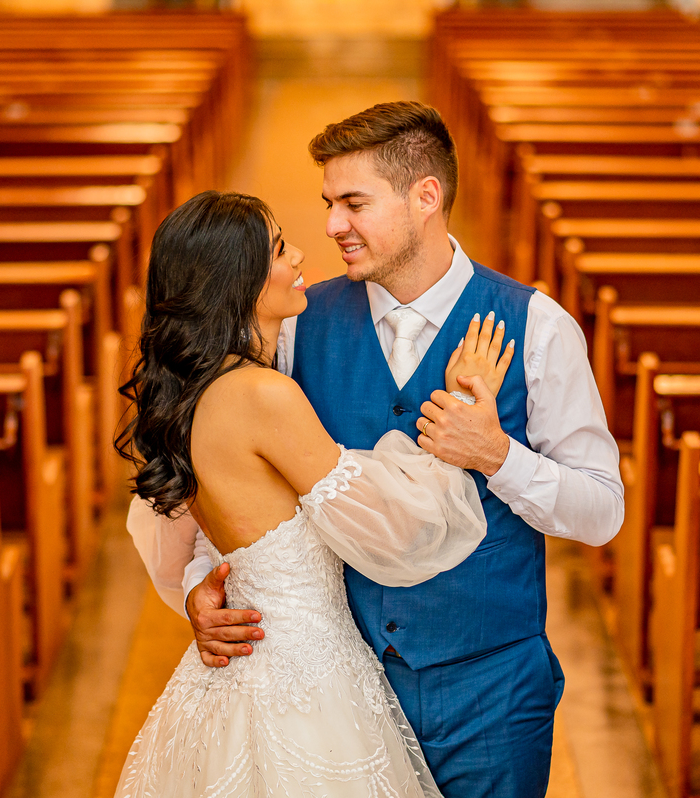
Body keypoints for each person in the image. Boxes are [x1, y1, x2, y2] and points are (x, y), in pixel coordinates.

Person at [181, 101, 625, 798]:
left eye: (353, 203)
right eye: (329, 203)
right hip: (342, 691)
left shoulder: (537, 326)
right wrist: (200, 583)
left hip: (494, 693)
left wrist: (499, 457)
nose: (331, 225)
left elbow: (602, 512)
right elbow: (234, 475)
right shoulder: (299, 325)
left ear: (426, 197)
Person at [115, 189, 517, 797]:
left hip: (244, 669)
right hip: (303, 682)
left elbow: (185, 546)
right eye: (279, 249)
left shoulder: (193, 392)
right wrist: (461, 405)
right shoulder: (259, 395)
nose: (301, 254)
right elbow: (388, 528)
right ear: (239, 281)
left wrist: (204, 588)